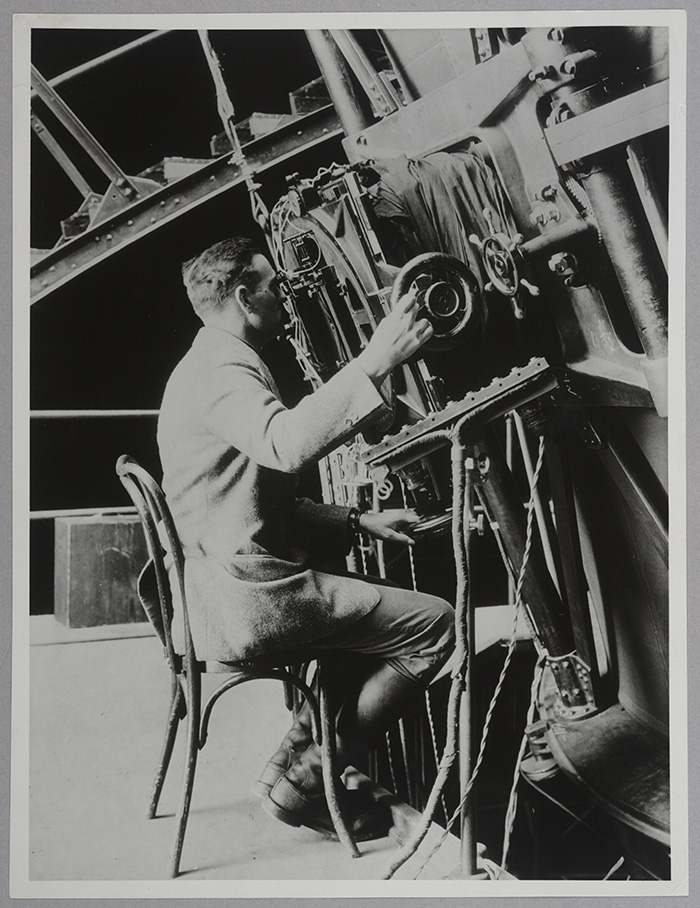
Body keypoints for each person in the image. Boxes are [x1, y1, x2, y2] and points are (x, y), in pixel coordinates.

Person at [157, 236, 455, 839]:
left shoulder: (211, 361)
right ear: (244, 297)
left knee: (360, 615)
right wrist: (373, 360)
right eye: (275, 287)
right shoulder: (220, 369)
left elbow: (255, 499)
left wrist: (356, 522)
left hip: (225, 583)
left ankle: (286, 770)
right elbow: (287, 443)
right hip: (245, 599)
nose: (285, 298)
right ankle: (312, 778)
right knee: (436, 624)